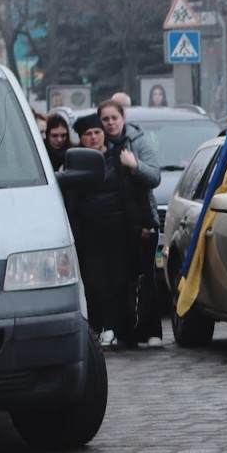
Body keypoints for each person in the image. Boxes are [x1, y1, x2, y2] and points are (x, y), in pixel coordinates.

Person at [97, 100, 162, 347]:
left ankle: (152, 330)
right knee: (116, 279)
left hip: (143, 221)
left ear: (123, 117)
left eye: (114, 117)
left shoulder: (138, 141)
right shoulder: (99, 145)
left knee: (146, 280)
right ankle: (122, 331)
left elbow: (154, 177)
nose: (111, 123)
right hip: (114, 224)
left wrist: (135, 166)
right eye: (106, 119)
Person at [66, 116, 128, 345]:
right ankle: (97, 326)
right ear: (81, 138)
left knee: (117, 280)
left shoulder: (118, 156)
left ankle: (114, 327)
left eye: (97, 132)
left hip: (117, 226)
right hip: (88, 228)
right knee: (93, 281)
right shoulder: (75, 160)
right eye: (88, 134)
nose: (94, 137)